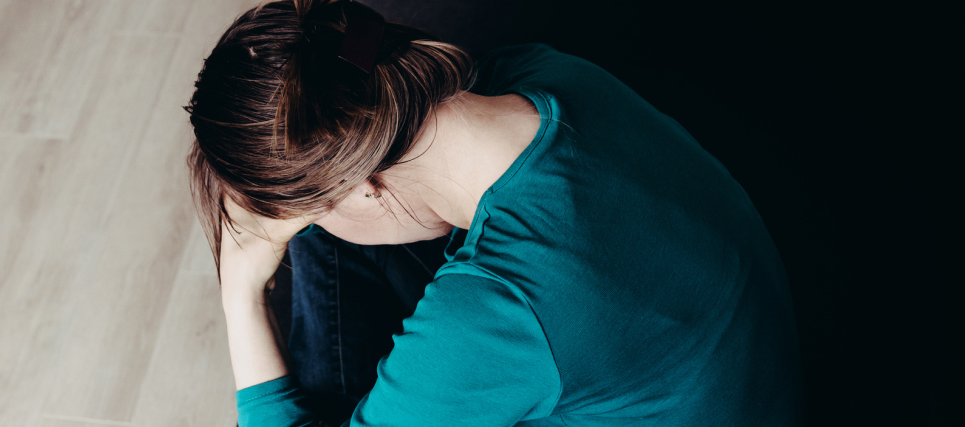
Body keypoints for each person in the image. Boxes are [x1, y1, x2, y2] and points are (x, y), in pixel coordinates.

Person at [183, 0, 804, 425]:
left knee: (317, 255)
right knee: (325, 241)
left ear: (365, 185)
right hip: (726, 358)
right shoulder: (535, 71)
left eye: (320, 209)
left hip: (666, 365)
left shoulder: (497, 311)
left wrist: (240, 292)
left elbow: (507, 315)